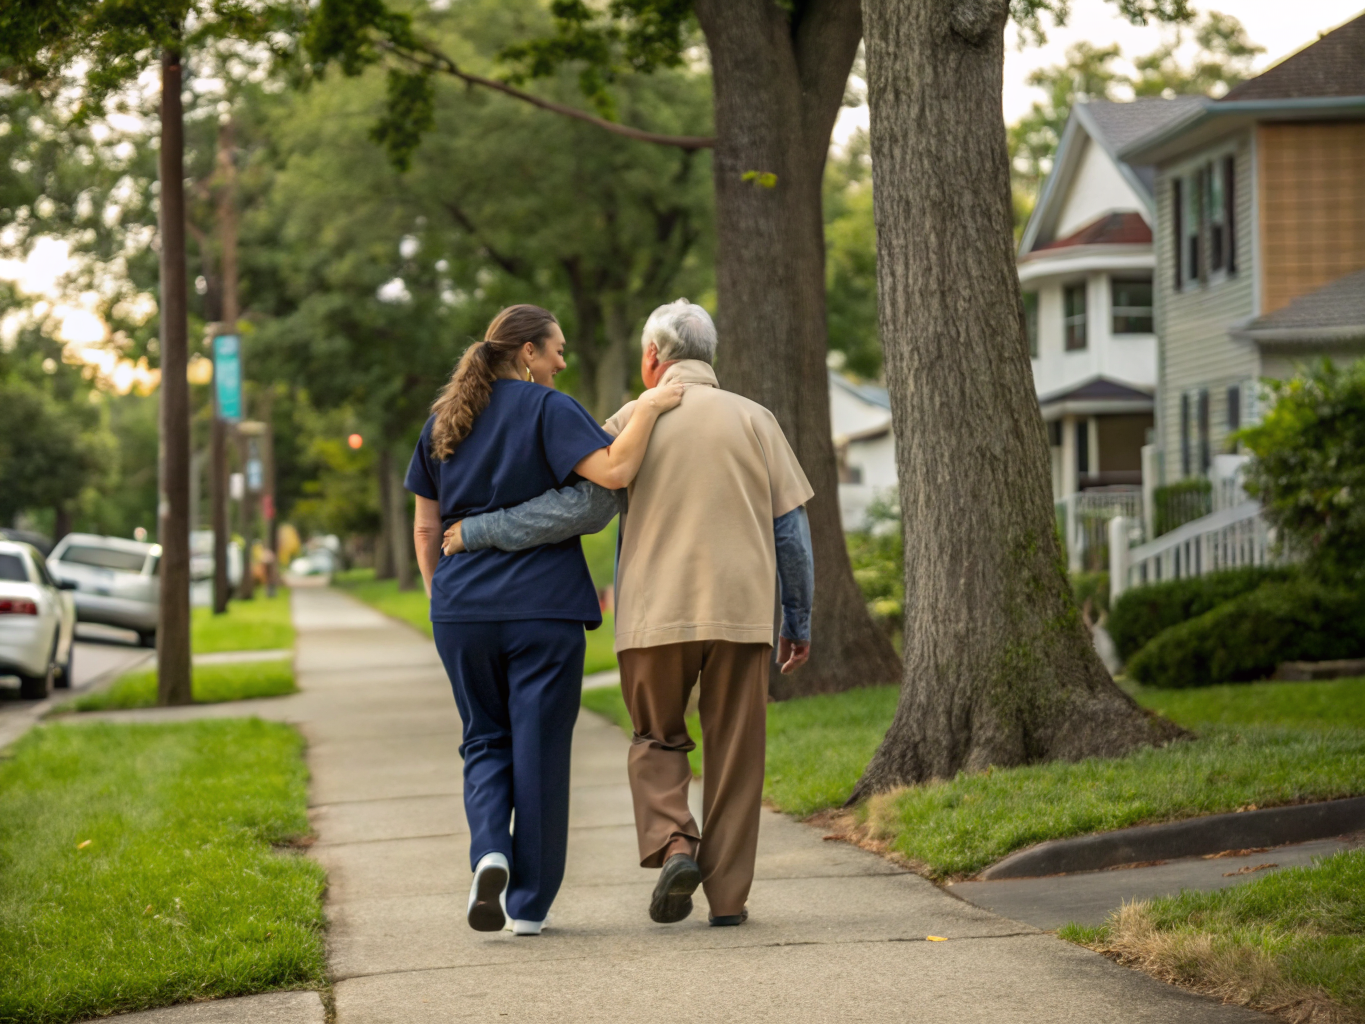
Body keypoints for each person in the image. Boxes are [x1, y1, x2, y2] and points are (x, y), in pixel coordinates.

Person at [445, 299, 814, 928]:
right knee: (737, 755)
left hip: (652, 619)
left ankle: (675, 843)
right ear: (709, 355)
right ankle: (728, 902)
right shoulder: (758, 421)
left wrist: (479, 531)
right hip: (741, 614)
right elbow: (792, 533)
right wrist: (797, 620)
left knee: (655, 738)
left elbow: (579, 510)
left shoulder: (625, 423)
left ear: (652, 358)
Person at [406, 304, 684, 937]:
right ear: (527, 352)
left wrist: (439, 600)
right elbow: (612, 477)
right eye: (556, 349)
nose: (563, 360)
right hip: (545, 611)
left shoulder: (443, 422)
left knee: (483, 740)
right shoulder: (551, 411)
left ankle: (489, 856)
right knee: (539, 752)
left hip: (461, 609)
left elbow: (426, 528)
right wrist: (646, 408)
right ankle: (528, 906)